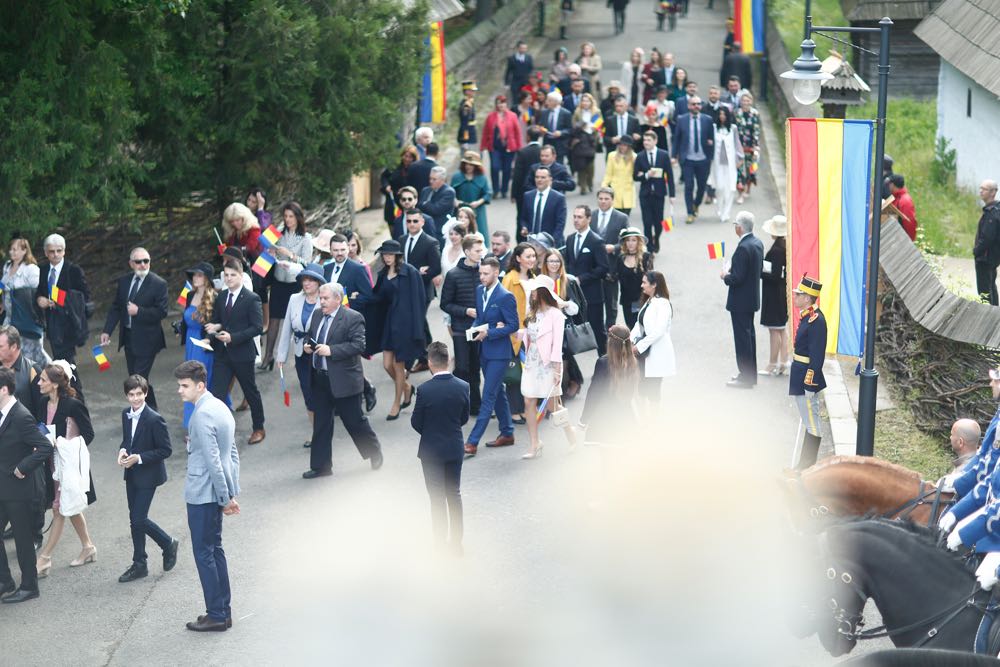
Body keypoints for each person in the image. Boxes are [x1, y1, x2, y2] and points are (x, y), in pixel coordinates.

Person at [174, 360, 240, 632]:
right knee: (216, 550)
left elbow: (214, 460)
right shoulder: (220, 406)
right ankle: (223, 611)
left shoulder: (200, 416)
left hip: (203, 494)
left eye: (184, 386)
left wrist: (226, 498)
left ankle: (216, 614)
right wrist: (230, 493)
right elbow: (232, 454)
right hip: (216, 491)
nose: (179, 390)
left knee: (205, 554)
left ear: (200, 386)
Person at [303, 283, 384, 478]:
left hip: (344, 380)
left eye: (325, 298)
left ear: (338, 299)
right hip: (320, 378)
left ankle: (374, 452)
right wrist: (308, 345)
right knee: (321, 423)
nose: (321, 302)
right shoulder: (316, 315)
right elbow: (311, 336)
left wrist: (332, 351)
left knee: (354, 421)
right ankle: (321, 466)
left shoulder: (352, 318)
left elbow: (358, 345)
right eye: (321, 298)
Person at [34, 361, 96, 577]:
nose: (39, 382)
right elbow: (41, 428)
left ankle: (44, 559)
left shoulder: (72, 404)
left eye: (43, 379)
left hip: (67, 465)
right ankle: (88, 546)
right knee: (69, 505)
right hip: (50, 464)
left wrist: (65, 445)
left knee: (59, 508)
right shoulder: (43, 403)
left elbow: (88, 434)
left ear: (54, 384)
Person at [116, 374, 178, 584]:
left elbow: (165, 450)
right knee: (134, 519)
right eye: (131, 395)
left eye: (139, 394)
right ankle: (139, 564)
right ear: (126, 396)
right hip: (131, 473)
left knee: (139, 519)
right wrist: (123, 451)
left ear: (146, 393)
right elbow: (127, 439)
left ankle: (167, 543)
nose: (135, 399)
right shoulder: (126, 414)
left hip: (148, 475)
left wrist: (139, 458)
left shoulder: (154, 419)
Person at [411, 342, 469, 555]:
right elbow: (463, 417)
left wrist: (431, 432)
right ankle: (457, 543)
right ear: (449, 360)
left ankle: (439, 543)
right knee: (454, 494)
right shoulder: (463, 386)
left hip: (431, 450)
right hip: (454, 446)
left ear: (429, 363)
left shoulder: (424, 390)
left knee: (436, 498)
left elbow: (416, 422)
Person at [0, 366, 52, 603]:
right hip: (3, 488)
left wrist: (23, 467)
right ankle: (5, 581)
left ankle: (29, 586)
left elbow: (44, 447)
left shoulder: (21, 416)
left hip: (19, 490)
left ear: (3, 390)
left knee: (22, 541)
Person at [205, 257, 266, 445]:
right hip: (222, 354)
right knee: (216, 393)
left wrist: (234, 337)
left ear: (241, 276)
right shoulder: (222, 296)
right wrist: (214, 327)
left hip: (242, 353)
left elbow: (257, 327)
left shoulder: (251, 298)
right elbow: (220, 319)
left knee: (250, 391)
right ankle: (216, 431)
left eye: (233, 275)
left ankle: (258, 428)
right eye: (226, 275)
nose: (229, 278)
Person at [101, 247, 168, 409]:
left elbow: (162, 311)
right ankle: (151, 408)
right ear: (131, 263)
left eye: (146, 261)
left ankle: (143, 412)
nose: (143, 265)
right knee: (136, 377)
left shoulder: (158, 283)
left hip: (148, 339)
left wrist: (139, 311)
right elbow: (117, 307)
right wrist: (107, 331)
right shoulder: (124, 281)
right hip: (129, 337)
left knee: (138, 378)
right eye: (139, 262)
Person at [465, 257, 519, 457]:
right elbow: (480, 316)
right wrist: (474, 330)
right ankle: (507, 432)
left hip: (499, 354)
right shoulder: (480, 291)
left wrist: (491, 333)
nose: (482, 277)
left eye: (485, 273)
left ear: (496, 273)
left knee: (488, 395)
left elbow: (513, 325)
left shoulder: (506, 296)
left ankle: (472, 442)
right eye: (480, 273)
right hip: (484, 351)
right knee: (498, 392)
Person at [369, 240, 427, 420]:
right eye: (384, 254)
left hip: (405, 325)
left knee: (398, 365)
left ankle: (396, 403)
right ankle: (407, 388)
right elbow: (378, 298)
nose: (386, 257)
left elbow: (419, 301)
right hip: (389, 323)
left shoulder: (410, 272)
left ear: (397, 255)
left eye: (390, 254)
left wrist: (418, 330)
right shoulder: (383, 273)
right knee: (387, 365)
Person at [516, 274, 566, 459]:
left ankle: (570, 433)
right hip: (531, 362)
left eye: (535, 290)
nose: (531, 293)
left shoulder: (556, 315)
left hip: (548, 365)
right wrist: (513, 332)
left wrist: (557, 371)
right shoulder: (532, 312)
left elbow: (557, 345)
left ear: (543, 292)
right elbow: (529, 334)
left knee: (553, 406)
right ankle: (534, 443)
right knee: (528, 401)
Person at [276, 264, 325, 447]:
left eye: (311, 280)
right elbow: (287, 328)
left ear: (319, 282)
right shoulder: (294, 299)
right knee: (308, 393)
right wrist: (281, 356)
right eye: (304, 279)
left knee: (324, 392)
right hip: (300, 353)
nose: (306, 283)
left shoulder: (325, 299)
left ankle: (324, 429)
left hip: (320, 354)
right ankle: (316, 433)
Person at [261, 202, 312, 370]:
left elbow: (308, 263)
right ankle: (268, 356)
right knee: (274, 319)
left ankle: (305, 357)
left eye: (291, 216)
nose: (288, 219)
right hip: (278, 281)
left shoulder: (306, 238)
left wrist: (290, 255)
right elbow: (264, 248)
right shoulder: (277, 234)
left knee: (296, 322)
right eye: (285, 216)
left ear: (298, 217)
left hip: (294, 284)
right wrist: (271, 253)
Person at [441, 234, 486, 416]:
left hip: (481, 329)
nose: (481, 253)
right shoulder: (453, 275)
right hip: (461, 329)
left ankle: (476, 405)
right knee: (462, 369)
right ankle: (460, 406)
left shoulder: (485, 271)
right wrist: (465, 311)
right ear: (467, 252)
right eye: (477, 251)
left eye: (481, 250)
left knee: (476, 369)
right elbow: (445, 304)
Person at [788, 276, 827, 470]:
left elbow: (817, 357)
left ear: (808, 297)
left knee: (812, 425)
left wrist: (810, 384)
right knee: (808, 422)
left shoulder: (816, 321)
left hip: (806, 379)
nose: (795, 296)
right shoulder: (807, 316)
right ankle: (802, 466)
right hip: (799, 373)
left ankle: (806, 468)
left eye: (799, 294)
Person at [722, 211, 764, 388]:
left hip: (740, 301)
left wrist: (725, 275)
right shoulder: (757, 243)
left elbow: (736, 278)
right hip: (751, 298)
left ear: (739, 227)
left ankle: (745, 376)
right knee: (749, 337)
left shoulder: (742, 247)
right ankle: (749, 375)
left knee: (742, 339)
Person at [35, 233, 91, 365]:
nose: (55, 254)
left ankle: (74, 386)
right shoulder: (42, 270)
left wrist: (58, 299)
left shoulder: (73, 270)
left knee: (64, 362)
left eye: (59, 251)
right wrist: (39, 299)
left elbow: (84, 296)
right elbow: (38, 291)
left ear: (64, 251)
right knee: (63, 362)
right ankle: (71, 385)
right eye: (51, 251)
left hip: (69, 322)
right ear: (46, 252)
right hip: (51, 322)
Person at [399, 209, 442, 373]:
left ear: (422, 222)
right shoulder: (402, 240)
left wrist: (417, 273)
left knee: (417, 321)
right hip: (405, 290)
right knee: (420, 323)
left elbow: (436, 267)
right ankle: (427, 356)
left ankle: (416, 359)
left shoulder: (430, 242)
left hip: (423, 290)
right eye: (409, 221)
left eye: (415, 221)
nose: (411, 224)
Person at [581, 324, 639, 445]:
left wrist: (584, 420)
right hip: (626, 420)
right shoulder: (633, 362)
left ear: (610, 343)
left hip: (604, 421)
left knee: (607, 460)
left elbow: (593, 394)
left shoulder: (603, 363)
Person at [564, 205, 609, 355]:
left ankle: (606, 362)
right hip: (573, 296)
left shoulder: (596, 241)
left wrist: (581, 279)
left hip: (592, 296)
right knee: (570, 330)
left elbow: (603, 268)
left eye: (580, 217)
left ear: (589, 219)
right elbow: (569, 263)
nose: (576, 220)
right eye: (574, 217)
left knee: (597, 330)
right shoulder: (570, 239)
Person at [541, 248, 586, 398]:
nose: (554, 264)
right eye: (550, 261)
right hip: (545, 327)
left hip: (563, 327)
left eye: (556, 261)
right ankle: (575, 381)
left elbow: (575, 308)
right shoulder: (541, 281)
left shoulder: (567, 281)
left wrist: (564, 304)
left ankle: (560, 394)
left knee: (562, 359)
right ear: (545, 263)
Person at [629, 271, 675, 414]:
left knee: (653, 390)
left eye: (644, 282)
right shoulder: (649, 300)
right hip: (645, 353)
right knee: (640, 388)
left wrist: (639, 347)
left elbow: (659, 331)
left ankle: (653, 424)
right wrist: (630, 341)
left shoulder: (663, 304)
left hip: (657, 353)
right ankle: (644, 421)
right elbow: (639, 324)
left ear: (654, 285)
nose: (641, 285)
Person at [178, 263, 217, 430]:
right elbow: (187, 319)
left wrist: (209, 338)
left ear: (207, 278)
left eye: (199, 275)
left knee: (197, 383)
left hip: (203, 345)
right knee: (189, 380)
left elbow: (218, 322)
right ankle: (192, 424)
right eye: (194, 275)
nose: (195, 278)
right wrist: (179, 327)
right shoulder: (190, 295)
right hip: (190, 343)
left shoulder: (215, 296)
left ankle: (202, 423)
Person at [502, 243, 538, 424]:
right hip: (515, 332)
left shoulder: (535, 278)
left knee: (529, 371)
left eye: (533, 256)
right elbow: (502, 305)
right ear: (518, 258)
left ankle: (526, 408)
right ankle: (514, 409)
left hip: (532, 331)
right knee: (514, 372)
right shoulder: (509, 279)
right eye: (528, 256)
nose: (532, 259)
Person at [221, 202, 267, 331]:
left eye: (238, 220)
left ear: (244, 218)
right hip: (238, 267)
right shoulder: (233, 232)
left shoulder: (254, 229)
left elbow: (250, 247)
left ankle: (262, 323)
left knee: (258, 292)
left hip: (256, 266)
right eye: (232, 221)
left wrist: (230, 249)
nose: (235, 223)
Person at [672, 96, 714, 224]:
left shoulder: (707, 120)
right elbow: (677, 139)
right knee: (689, 186)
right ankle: (689, 212)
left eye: (698, 104)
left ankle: (696, 204)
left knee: (701, 187)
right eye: (693, 104)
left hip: (703, 159)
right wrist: (674, 156)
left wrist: (710, 156)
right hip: (688, 159)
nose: (696, 106)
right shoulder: (682, 119)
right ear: (689, 106)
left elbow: (712, 140)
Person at [1, 237, 43, 364]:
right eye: (11, 250)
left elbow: (38, 291)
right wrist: (2, 301)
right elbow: (2, 285)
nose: (12, 252)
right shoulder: (7, 266)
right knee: (9, 351)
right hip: (9, 317)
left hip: (26, 317)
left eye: (15, 250)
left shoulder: (31, 269)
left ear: (24, 251)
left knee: (31, 353)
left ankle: (50, 374)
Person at [633, 130, 675, 253]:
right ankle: (649, 248)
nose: (646, 142)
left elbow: (670, 175)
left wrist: (672, 195)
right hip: (645, 194)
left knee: (658, 222)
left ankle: (656, 238)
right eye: (644, 140)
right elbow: (635, 175)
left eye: (648, 140)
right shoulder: (640, 156)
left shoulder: (663, 155)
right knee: (646, 222)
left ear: (655, 141)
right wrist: (646, 175)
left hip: (659, 193)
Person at [594, 188, 631, 326]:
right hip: (595, 267)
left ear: (612, 200)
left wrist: (614, 248)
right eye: (601, 199)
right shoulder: (592, 216)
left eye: (606, 199)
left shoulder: (621, 218)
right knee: (595, 303)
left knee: (611, 304)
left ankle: (610, 332)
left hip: (612, 268)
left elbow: (627, 242)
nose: (603, 202)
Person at [758, 215, 789, 376]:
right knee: (782, 330)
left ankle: (772, 363)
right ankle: (783, 361)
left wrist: (760, 271)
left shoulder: (777, 250)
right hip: (781, 291)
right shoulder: (784, 246)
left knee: (774, 330)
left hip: (774, 293)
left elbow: (775, 274)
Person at [481, 95, 524, 199]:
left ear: (506, 104)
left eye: (503, 103)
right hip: (495, 147)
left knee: (507, 169)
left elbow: (517, 132)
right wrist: (483, 146)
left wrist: (519, 147)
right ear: (496, 104)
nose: (501, 105)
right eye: (499, 103)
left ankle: (504, 189)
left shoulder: (512, 116)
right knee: (495, 168)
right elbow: (485, 132)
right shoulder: (491, 117)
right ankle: (495, 189)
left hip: (509, 147)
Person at [708, 107, 744, 224]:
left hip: (730, 164)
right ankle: (719, 208)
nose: (722, 116)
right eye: (720, 114)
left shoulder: (733, 128)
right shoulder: (714, 128)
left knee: (730, 188)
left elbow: (737, 144)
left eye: (724, 114)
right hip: (717, 163)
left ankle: (726, 212)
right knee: (719, 188)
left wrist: (740, 158)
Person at [615, 228, 655, 329]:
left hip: (641, 300)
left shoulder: (646, 257)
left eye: (633, 240)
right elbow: (615, 277)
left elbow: (651, 280)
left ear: (638, 242)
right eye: (628, 240)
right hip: (627, 302)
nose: (630, 243)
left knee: (643, 329)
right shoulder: (621, 258)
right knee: (631, 330)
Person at [519, 166, 568, 241]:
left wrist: (552, 242)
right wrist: (524, 227)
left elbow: (560, 224)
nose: (539, 180)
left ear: (550, 179)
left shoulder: (558, 198)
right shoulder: (528, 196)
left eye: (543, 177)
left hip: (550, 242)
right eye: (537, 177)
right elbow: (524, 217)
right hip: (532, 241)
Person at [451, 151, 492, 239]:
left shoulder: (482, 178)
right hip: (460, 209)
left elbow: (488, 193)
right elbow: (451, 192)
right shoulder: (457, 176)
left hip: (477, 210)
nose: (468, 166)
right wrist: (455, 201)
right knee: (458, 232)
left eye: (471, 164)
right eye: (466, 164)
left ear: (476, 166)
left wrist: (478, 202)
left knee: (477, 233)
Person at [938, 419, 983, 492]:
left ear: (960, 442)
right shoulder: (982, 463)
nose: (950, 437)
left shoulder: (961, 474)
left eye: (952, 435)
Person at [380, 145, 420, 229]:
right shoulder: (395, 167)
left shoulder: (416, 169)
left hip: (408, 203)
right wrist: (386, 186)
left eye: (410, 157)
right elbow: (384, 177)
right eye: (406, 156)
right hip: (393, 202)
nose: (407, 159)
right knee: (393, 226)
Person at [974, 180, 1000, 305]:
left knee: (984, 291)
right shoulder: (994, 209)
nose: (981, 191)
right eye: (980, 188)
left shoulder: (993, 213)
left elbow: (987, 238)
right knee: (991, 286)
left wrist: (977, 251)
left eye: (983, 189)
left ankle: (988, 318)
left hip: (985, 257)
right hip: (992, 257)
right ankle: (995, 315)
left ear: (993, 192)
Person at [570, 92, 601, 194]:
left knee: (590, 164)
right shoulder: (577, 112)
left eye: (587, 101)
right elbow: (573, 125)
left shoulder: (596, 112)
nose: (585, 103)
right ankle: (582, 186)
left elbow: (600, 125)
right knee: (581, 164)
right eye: (583, 101)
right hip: (580, 140)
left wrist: (594, 130)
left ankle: (590, 182)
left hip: (591, 140)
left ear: (591, 102)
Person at [419, 166, 458, 247]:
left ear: (442, 180)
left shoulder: (449, 192)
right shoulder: (425, 190)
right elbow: (419, 206)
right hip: (423, 229)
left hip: (439, 231)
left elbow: (436, 209)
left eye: (434, 179)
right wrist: (426, 204)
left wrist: (425, 204)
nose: (431, 181)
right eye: (430, 178)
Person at [511, 127, 544, 220]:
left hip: (523, 191)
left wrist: (514, 193)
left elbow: (517, 174)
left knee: (522, 217)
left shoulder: (522, 152)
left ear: (528, 137)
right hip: (540, 189)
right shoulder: (543, 151)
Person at [734, 93, 761, 204]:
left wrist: (756, 147)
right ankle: (740, 193)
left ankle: (748, 187)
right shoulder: (736, 113)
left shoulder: (755, 114)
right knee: (739, 171)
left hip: (751, 146)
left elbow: (756, 131)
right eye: (743, 101)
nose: (746, 103)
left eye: (748, 100)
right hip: (739, 147)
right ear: (740, 102)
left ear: (751, 101)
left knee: (751, 170)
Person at [601, 135, 636, 215]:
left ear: (629, 146)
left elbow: (636, 174)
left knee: (625, 218)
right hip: (615, 190)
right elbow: (608, 174)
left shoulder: (634, 157)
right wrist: (604, 186)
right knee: (615, 218)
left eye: (625, 145)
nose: (622, 147)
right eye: (621, 144)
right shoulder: (612, 156)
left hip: (628, 191)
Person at [535, 91, 573, 164]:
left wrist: (561, 133)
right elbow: (540, 125)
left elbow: (570, 129)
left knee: (558, 165)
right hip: (547, 142)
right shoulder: (544, 112)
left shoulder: (566, 113)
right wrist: (540, 129)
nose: (547, 102)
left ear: (556, 102)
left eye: (549, 100)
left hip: (559, 144)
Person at [888, 174, 917, 241]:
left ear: (892, 185)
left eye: (889, 184)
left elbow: (909, 222)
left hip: (903, 239)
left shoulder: (904, 201)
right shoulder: (898, 198)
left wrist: (908, 241)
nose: (888, 186)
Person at [457, 80, 478, 152]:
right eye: (472, 90)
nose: (473, 92)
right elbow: (464, 123)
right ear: (466, 92)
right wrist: (465, 139)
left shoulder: (470, 102)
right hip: (468, 136)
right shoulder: (466, 105)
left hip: (471, 134)